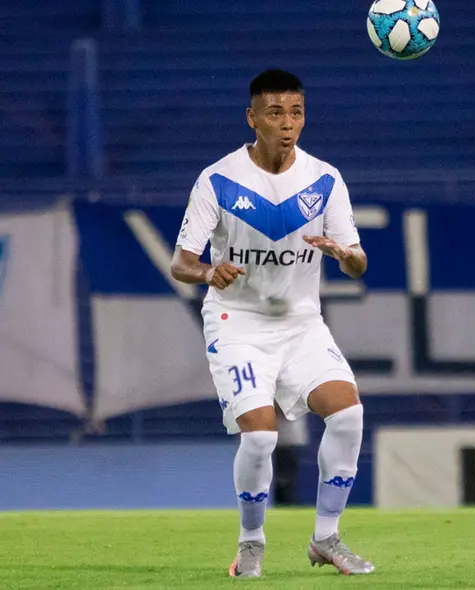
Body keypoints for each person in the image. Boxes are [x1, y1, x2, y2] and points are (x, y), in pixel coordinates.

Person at [170, 69, 374, 578]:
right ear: (253, 117)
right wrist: (208, 271)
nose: (288, 123)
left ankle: (326, 537)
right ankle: (252, 542)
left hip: (302, 324)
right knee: (261, 437)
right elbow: (181, 262)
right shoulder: (218, 179)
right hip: (235, 322)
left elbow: (359, 262)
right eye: (276, 112)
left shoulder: (325, 180)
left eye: (297, 112)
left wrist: (344, 254)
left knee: (348, 416)